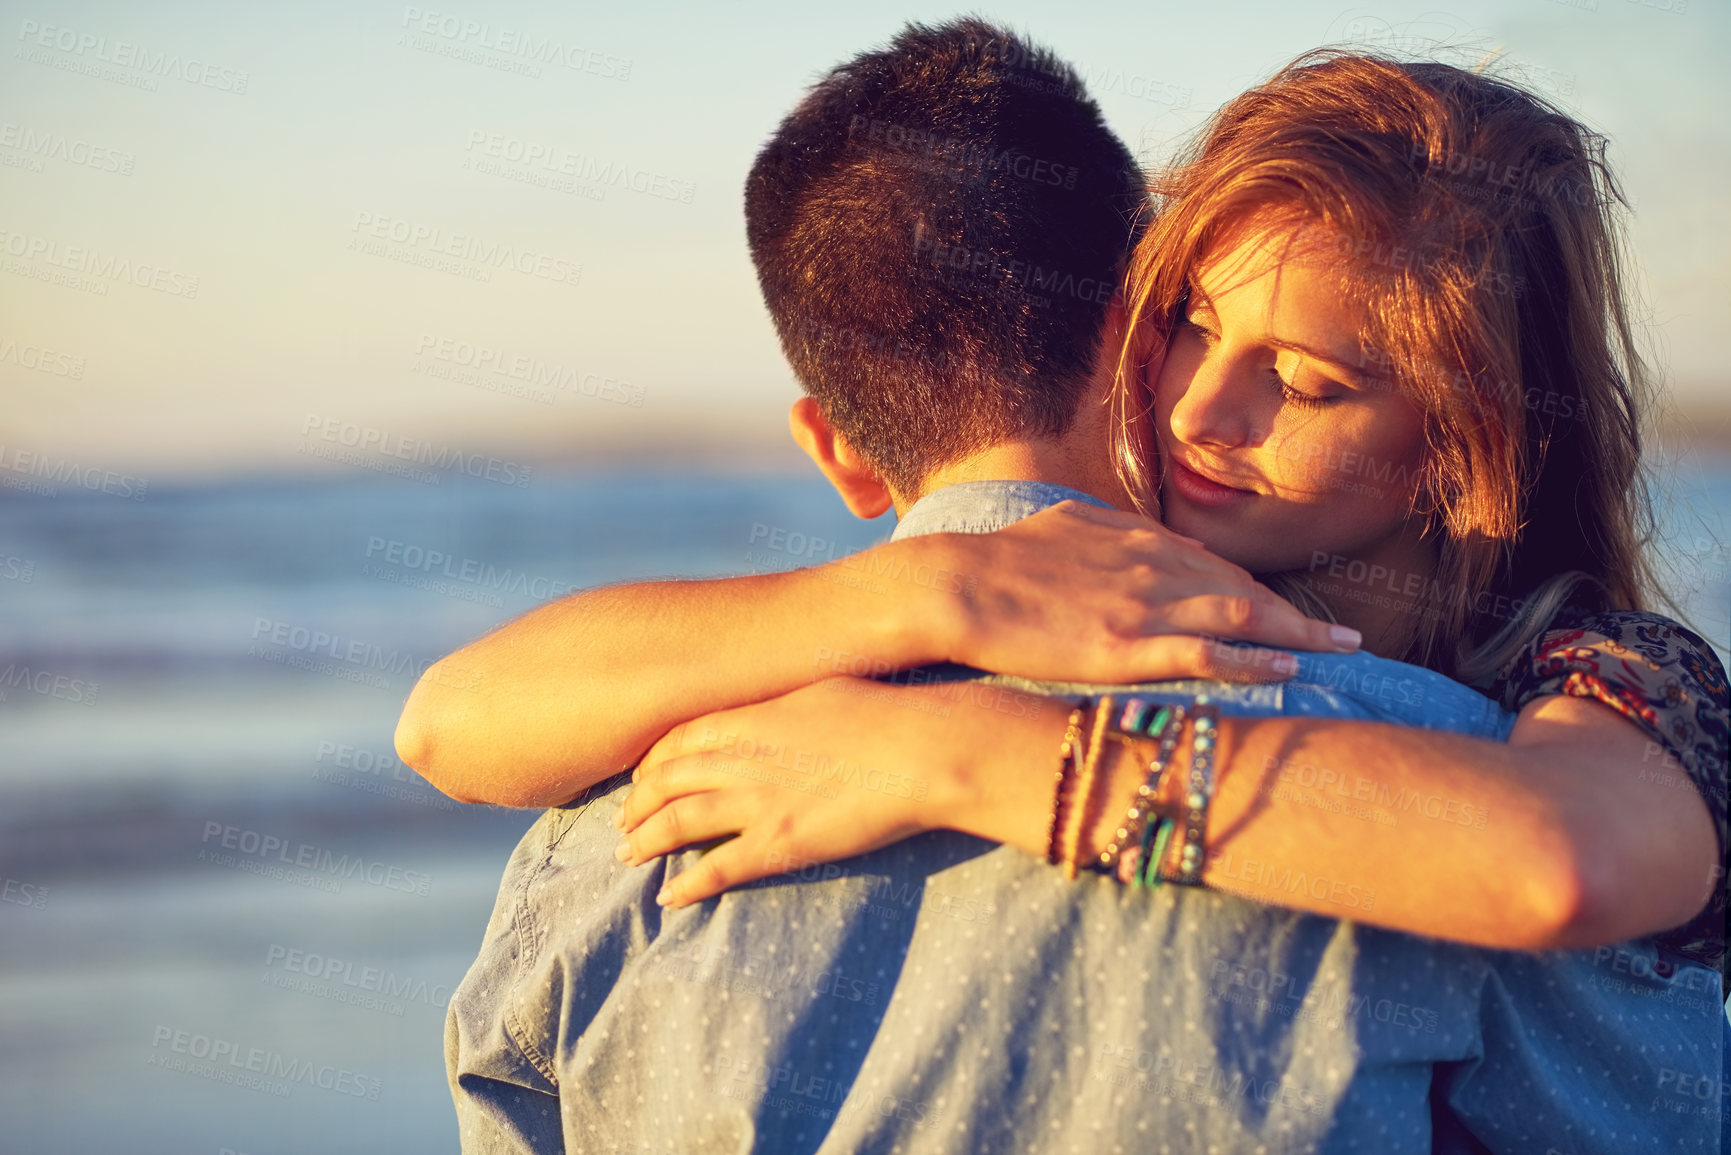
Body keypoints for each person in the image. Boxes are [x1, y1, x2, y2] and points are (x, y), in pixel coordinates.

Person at [419, 23, 1729, 1153]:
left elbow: (1557, 862)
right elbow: (451, 719)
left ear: (1474, 437)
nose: (1203, 410)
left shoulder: (1592, 692)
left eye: (1313, 381)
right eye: (1191, 329)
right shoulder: (1077, 603)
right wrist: (929, 595)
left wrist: (959, 748)